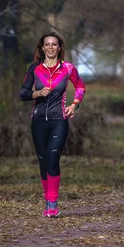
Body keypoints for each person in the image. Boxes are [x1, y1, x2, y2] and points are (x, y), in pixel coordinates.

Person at [20, 32, 86, 217]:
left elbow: (80, 87)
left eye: (54, 44)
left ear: (59, 48)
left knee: (53, 158)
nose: (50, 47)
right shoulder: (34, 69)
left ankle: (52, 202)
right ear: (42, 48)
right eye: (47, 44)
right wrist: (37, 93)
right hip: (38, 120)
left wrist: (74, 105)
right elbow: (23, 93)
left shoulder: (68, 68)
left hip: (59, 120)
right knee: (43, 162)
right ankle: (47, 199)